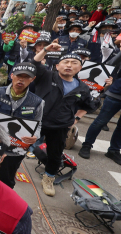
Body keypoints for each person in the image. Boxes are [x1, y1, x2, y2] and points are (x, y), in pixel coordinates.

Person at [32, 44, 99, 196]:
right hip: (37, 120)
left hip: (60, 126)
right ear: (57, 65)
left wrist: (77, 117)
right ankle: (10, 169)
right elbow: (34, 64)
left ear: (80, 68)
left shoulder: (82, 87)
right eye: (65, 62)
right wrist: (46, 50)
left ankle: (48, 178)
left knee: (55, 154)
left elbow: (89, 105)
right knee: (20, 146)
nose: (69, 65)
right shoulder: (47, 76)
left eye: (74, 63)